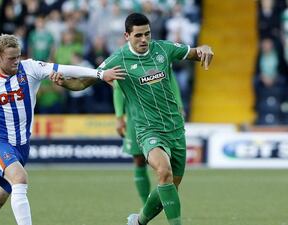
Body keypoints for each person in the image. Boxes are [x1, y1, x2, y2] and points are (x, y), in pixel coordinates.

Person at [0, 34, 125, 225]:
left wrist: (100, 74)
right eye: (11, 58)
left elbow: (65, 68)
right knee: (20, 178)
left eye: (18, 56)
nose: (16, 62)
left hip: (22, 147)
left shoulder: (30, 68)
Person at [52, 12, 214, 225]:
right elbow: (83, 83)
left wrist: (205, 48)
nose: (144, 39)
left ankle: (138, 221)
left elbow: (195, 53)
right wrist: (64, 83)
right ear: (127, 35)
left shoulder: (164, 49)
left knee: (170, 185)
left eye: (147, 34)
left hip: (175, 128)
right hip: (148, 130)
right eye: (138, 35)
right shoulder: (118, 60)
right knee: (163, 171)